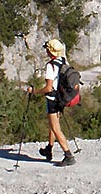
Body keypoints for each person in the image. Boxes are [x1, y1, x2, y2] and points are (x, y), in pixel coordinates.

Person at [26, 39, 76, 167]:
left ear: (50, 51)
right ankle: (49, 148)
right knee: (52, 125)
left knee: (55, 128)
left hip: (52, 100)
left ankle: (68, 155)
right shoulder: (63, 61)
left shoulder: (50, 66)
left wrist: (34, 91)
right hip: (61, 99)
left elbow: (48, 88)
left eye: (47, 49)